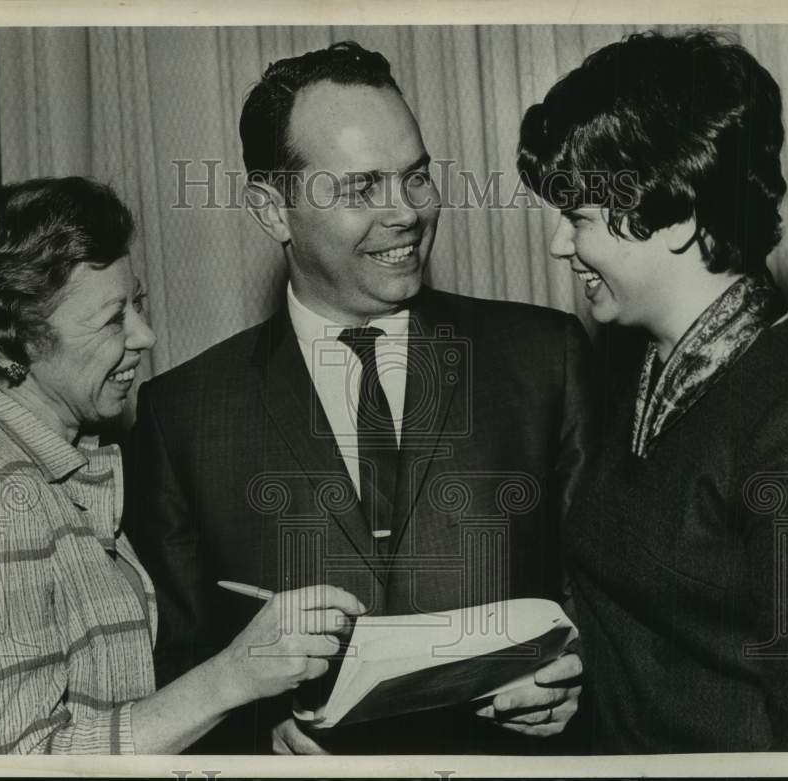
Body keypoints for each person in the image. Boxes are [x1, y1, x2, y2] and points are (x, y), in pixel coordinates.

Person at [125, 42, 594, 755]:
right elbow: (179, 669)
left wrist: (576, 677)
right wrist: (260, 732)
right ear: (272, 211)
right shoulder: (181, 416)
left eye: (416, 177)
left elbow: (616, 605)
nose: (406, 212)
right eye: (361, 188)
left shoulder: (544, 358)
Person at [0, 176, 366, 754]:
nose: (145, 336)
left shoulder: (63, 469)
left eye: (139, 304)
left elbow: (112, 714)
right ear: (11, 344)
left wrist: (253, 721)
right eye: (112, 320)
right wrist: (233, 677)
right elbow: (25, 764)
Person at [517, 30, 788, 753]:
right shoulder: (646, 371)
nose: (558, 245)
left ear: (675, 217)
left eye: (578, 217)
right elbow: (662, 628)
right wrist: (572, 683)